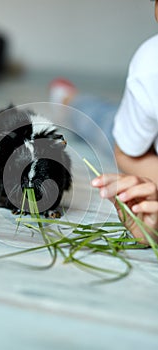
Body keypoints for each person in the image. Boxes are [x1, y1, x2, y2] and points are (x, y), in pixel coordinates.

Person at [49, 0, 158, 245]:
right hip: (147, 142)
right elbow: (127, 152)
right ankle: (68, 101)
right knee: (104, 119)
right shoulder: (152, 68)